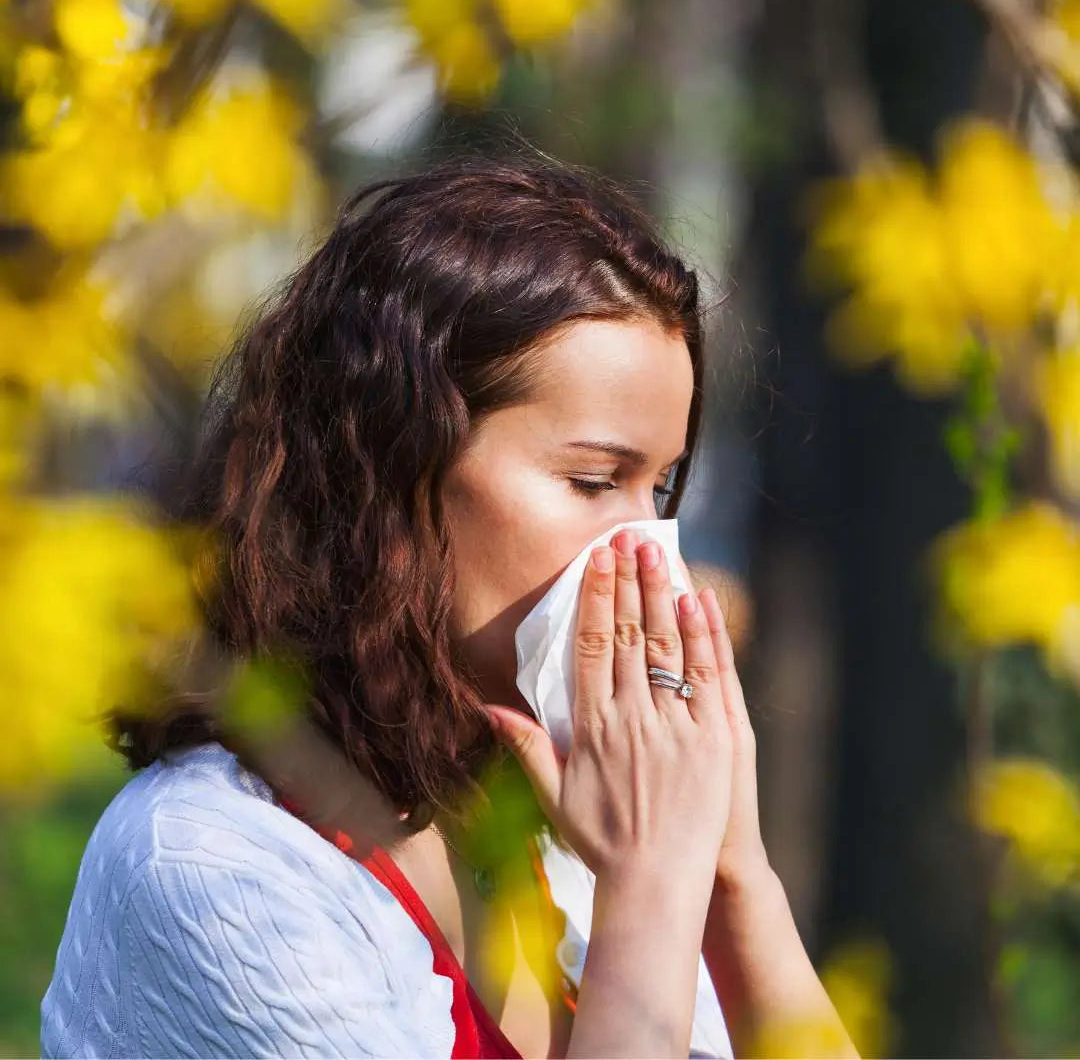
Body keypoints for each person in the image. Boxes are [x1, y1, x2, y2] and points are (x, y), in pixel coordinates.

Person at [40, 154, 856, 1059]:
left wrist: (732, 876)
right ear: (390, 469)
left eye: (658, 492)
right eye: (594, 480)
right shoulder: (213, 865)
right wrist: (654, 887)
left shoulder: (562, 831)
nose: (649, 560)